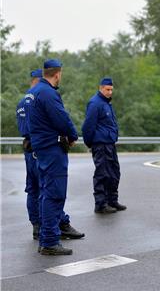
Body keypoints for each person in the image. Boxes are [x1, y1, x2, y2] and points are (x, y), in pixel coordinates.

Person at [26, 59, 84, 255]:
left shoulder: (33, 93)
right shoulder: (48, 93)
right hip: (52, 150)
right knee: (54, 194)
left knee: (44, 193)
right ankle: (50, 241)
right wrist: (73, 135)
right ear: (58, 74)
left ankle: (46, 237)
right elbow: (61, 118)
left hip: (41, 149)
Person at [82, 77, 126, 214]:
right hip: (100, 145)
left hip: (110, 144)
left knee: (114, 172)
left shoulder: (106, 103)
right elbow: (88, 126)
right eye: (107, 89)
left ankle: (112, 200)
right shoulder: (95, 103)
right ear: (100, 88)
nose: (110, 92)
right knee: (102, 173)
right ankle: (100, 204)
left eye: (111, 89)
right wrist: (90, 142)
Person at [16, 68, 42, 239]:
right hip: (38, 148)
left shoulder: (21, 102)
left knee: (32, 188)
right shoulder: (36, 100)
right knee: (44, 187)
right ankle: (47, 225)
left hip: (27, 147)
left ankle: (35, 225)